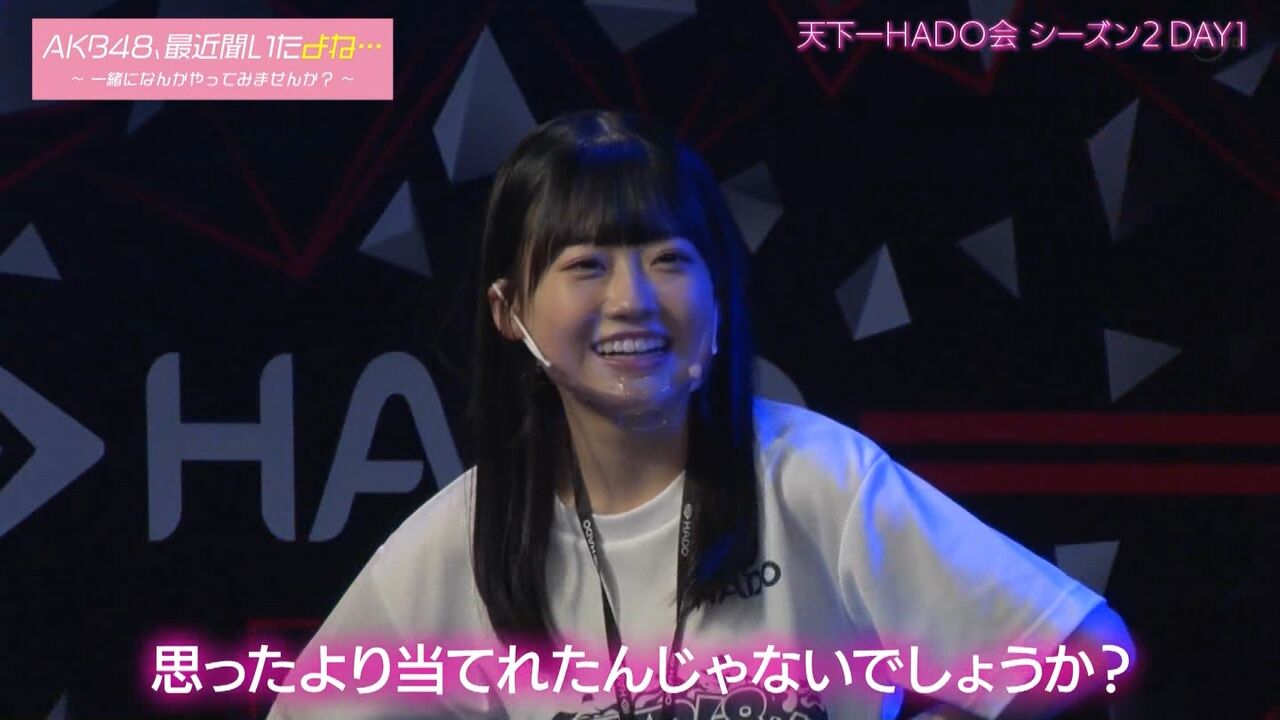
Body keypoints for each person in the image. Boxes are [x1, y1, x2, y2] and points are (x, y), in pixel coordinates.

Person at [267, 109, 1134, 719]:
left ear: (717, 293)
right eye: (586, 264)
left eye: (668, 259)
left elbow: (1089, 653)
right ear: (509, 310)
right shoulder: (468, 532)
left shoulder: (814, 477)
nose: (633, 300)